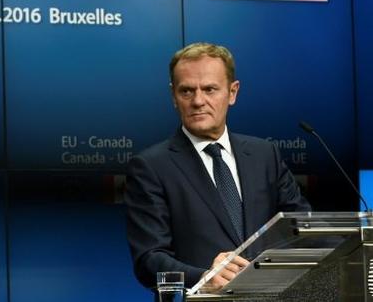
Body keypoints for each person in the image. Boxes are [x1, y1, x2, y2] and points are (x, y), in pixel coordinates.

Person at [125, 42, 310, 291]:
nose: (198, 101)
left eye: (210, 89)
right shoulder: (151, 167)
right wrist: (203, 278)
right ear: (173, 96)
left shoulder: (264, 155)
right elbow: (148, 260)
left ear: (232, 92)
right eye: (187, 91)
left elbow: (303, 230)